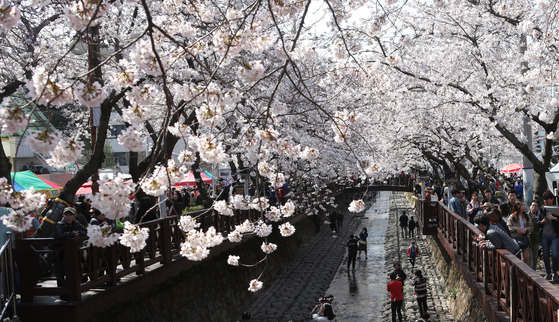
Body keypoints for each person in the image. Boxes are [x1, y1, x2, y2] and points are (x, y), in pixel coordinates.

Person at [53, 207, 87, 292]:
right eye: (66, 215)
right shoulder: (59, 224)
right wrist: (71, 234)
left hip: (72, 253)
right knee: (61, 274)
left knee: (73, 272)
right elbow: (58, 235)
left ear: (74, 216)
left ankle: (73, 290)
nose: (68, 217)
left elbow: (85, 231)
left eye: (70, 215)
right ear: (63, 216)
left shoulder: (75, 223)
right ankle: (62, 293)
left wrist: (76, 233)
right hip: (60, 254)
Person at [538, 191, 559, 280]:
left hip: (555, 236)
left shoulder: (556, 207)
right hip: (544, 235)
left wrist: (555, 218)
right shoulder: (542, 208)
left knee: (554, 255)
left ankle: (555, 272)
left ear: (552, 199)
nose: (545, 203)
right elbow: (537, 221)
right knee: (545, 255)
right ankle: (548, 273)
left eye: (547, 201)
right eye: (544, 202)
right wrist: (542, 222)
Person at [507, 201, 533, 265]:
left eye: (524, 205)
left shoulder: (526, 216)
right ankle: (517, 272)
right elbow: (509, 227)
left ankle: (526, 272)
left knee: (526, 257)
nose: (524, 207)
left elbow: (531, 226)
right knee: (516, 257)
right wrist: (516, 229)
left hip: (524, 237)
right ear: (518, 207)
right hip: (515, 238)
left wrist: (526, 229)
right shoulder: (512, 217)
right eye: (522, 205)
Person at [528, 201, 542, 270]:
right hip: (528, 238)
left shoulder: (540, 216)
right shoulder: (526, 215)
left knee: (535, 256)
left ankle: (533, 270)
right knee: (529, 256)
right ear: (530, 206)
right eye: (533, 205)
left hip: (536, 238)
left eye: (536, 206)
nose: (534, 207)